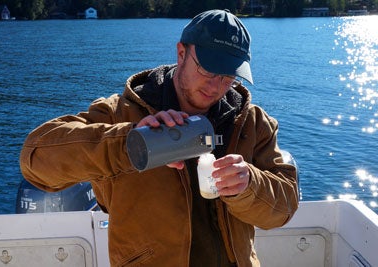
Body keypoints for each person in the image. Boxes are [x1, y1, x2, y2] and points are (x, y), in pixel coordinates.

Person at [20, 9, 299, 267]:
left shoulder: (252, 123)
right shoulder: (121, 113)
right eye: (207, 70)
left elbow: (284, 207)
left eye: (228, 77)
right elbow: (35, 162)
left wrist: (248, 184)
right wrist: (130, 143)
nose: (216, 87)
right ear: (181, 53)